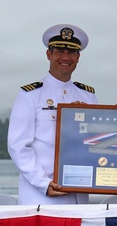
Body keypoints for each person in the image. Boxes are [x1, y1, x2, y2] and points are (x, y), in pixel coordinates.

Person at [8, 24, 97, 205]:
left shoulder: (88, 96)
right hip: (42, 193)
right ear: (49, 54)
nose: (66, 57)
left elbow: (96, 142)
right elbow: (17, 146)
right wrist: (43, 183)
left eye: (71, 52)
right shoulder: (30, 94)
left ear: (78, 57)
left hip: (78, 192)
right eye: (60, 51)